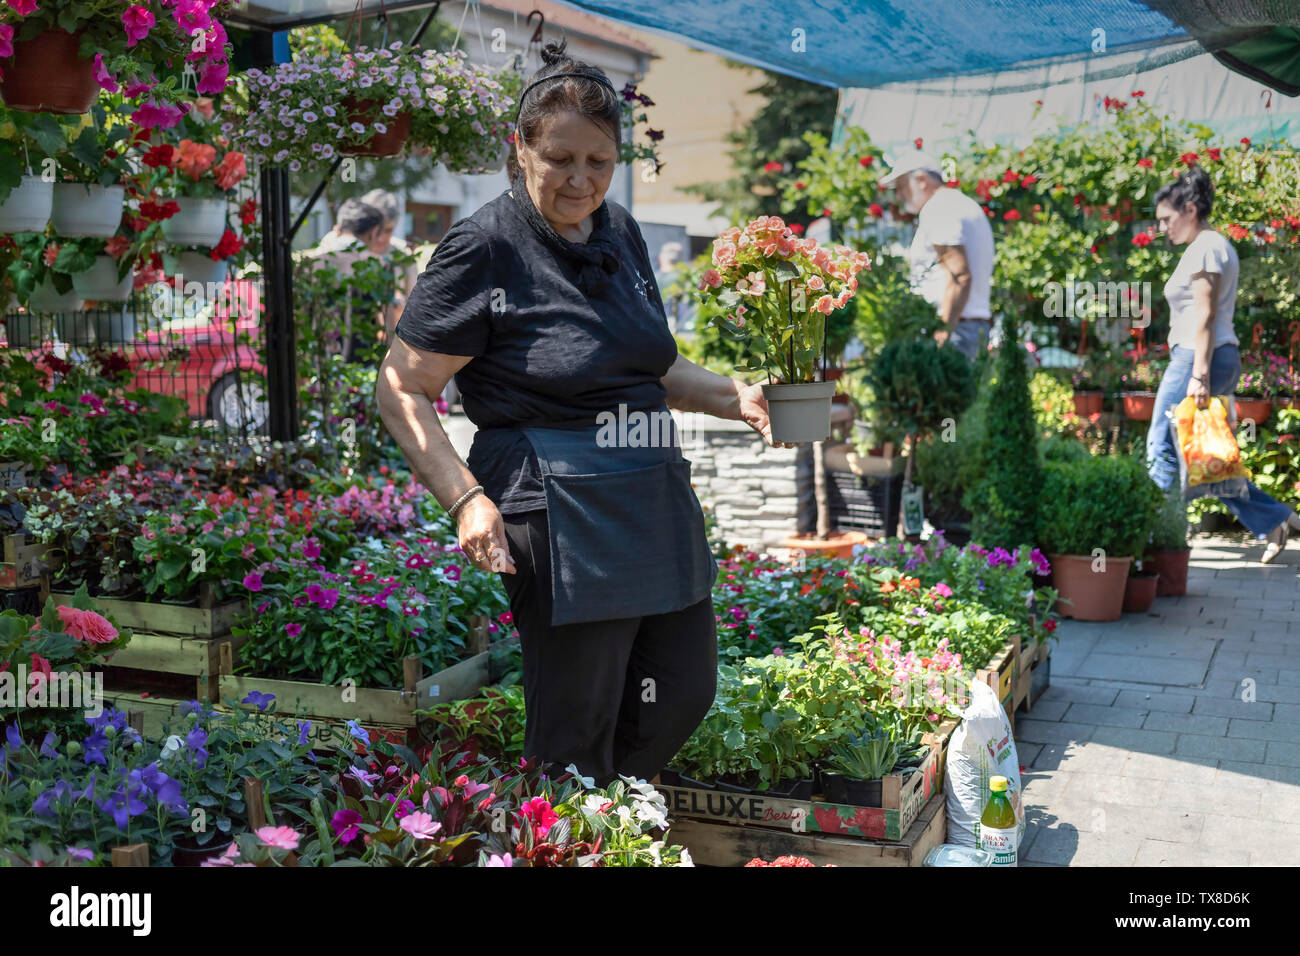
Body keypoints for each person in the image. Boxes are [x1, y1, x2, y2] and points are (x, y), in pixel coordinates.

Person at [377, 39, 793, 786]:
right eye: (561, 159)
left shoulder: (623, 233)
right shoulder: (485, 247)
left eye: (598, 162)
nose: (580, 180)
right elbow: (401, 386)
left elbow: (655, 366)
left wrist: (738, 397)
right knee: (578, 713)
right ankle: (572, 823)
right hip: (552, 497)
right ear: (520, 149)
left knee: (683, 688)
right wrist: (465, 498)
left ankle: (606, 812)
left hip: (648, 482)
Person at [1146, 167, 1300, 564]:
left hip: (1199, 359)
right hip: (1211, 358)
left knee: (1161, 444)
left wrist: (1198, 373)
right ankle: (1274, 518)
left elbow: (1205, 314)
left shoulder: (1206, 247)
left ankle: (1160, 539)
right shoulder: (1209, 246)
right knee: (1207, 459)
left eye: (1167, 218)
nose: (1162, 227)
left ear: (1191, 209)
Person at [879, 148, 995, 361]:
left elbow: (959, 275)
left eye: (902, 186)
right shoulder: (960, 203)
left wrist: (942, 332)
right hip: (966, 327)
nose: (899, 195)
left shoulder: (939, 208)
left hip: (954, 331)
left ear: (921, 179)